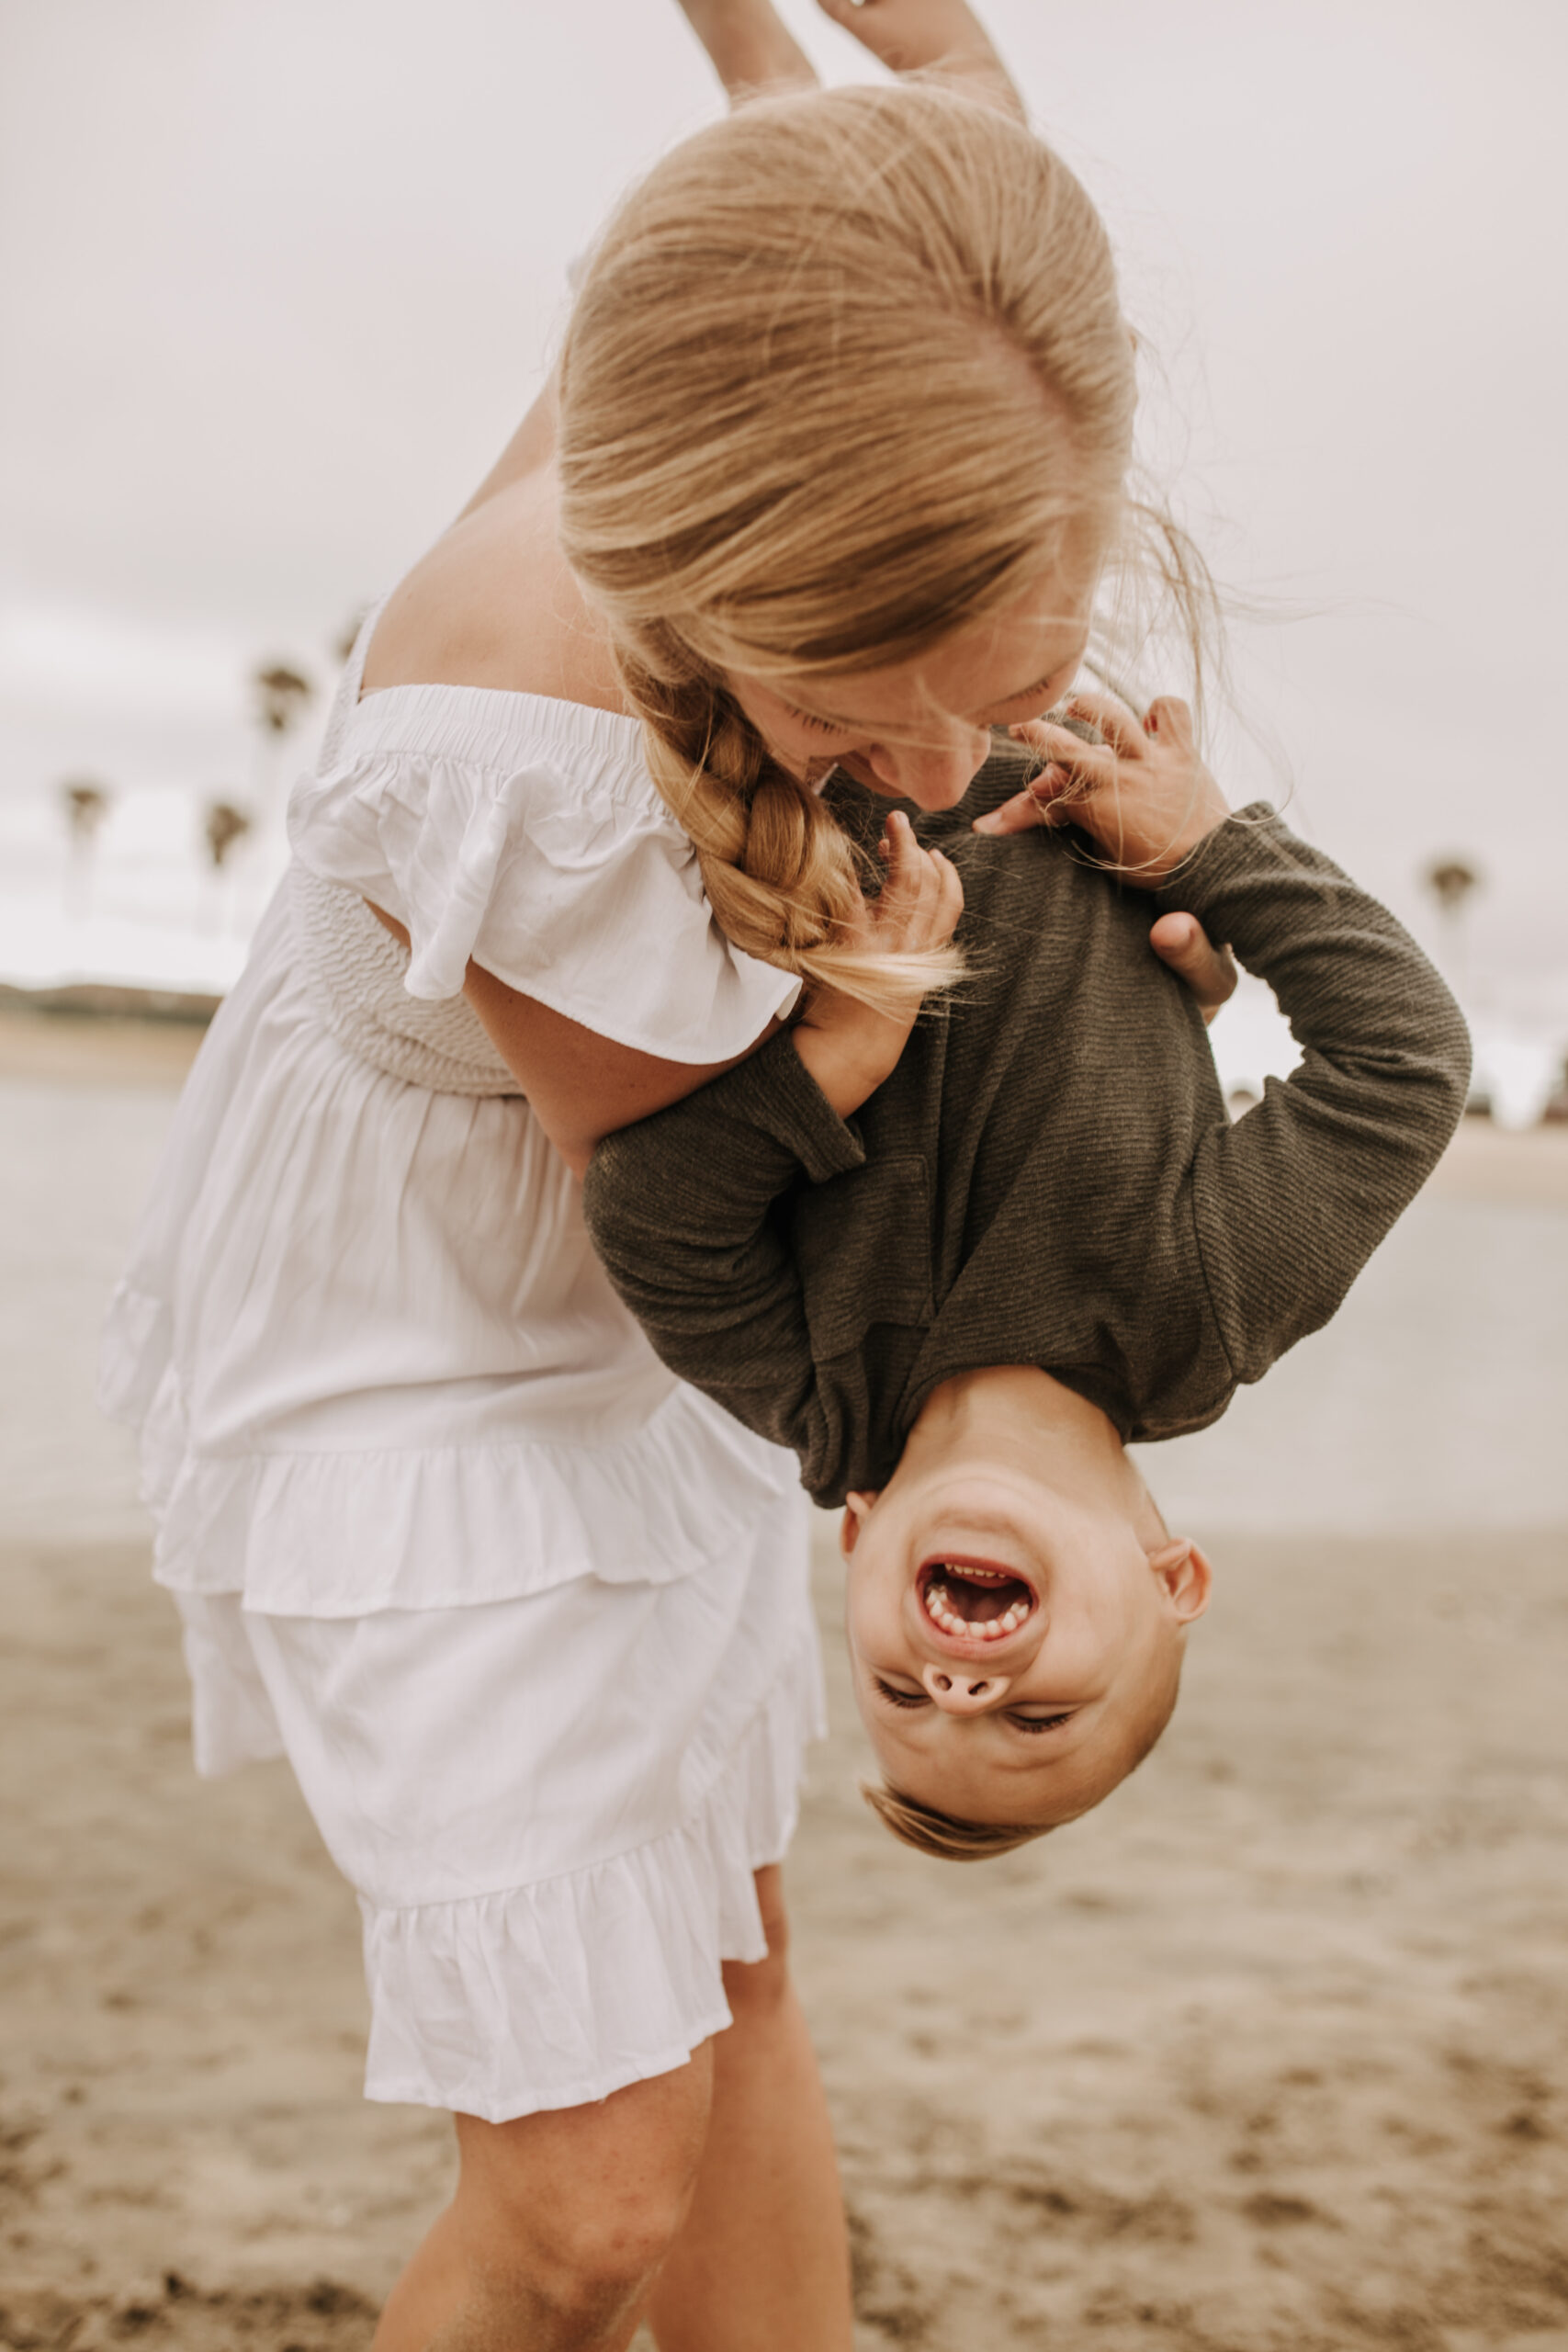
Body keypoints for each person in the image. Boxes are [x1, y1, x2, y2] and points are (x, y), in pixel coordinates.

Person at [99, 7, 1243, 2347]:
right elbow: (721, 1213)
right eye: (866, 714)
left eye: (997, 681)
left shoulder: (870, 330)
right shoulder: (520, 729)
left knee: (726, 1962)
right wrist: (1111, 1044)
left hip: (649, 1324)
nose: (934, 771)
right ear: (732, 553)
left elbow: (928, 88)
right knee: (581, 2207)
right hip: (453, 1339)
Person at [582, 695, 1472, 1860]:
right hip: (1033, 729)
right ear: (1174, 1580)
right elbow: (1403, 1061)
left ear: (855, 1544)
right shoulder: (1206, 1306)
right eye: (1039, 1714)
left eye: (897, 1695)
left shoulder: (808, 1385)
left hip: (790, 736)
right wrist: (1204, 849)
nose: (957, 1686)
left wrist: (838, 1055)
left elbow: (649, 1218)